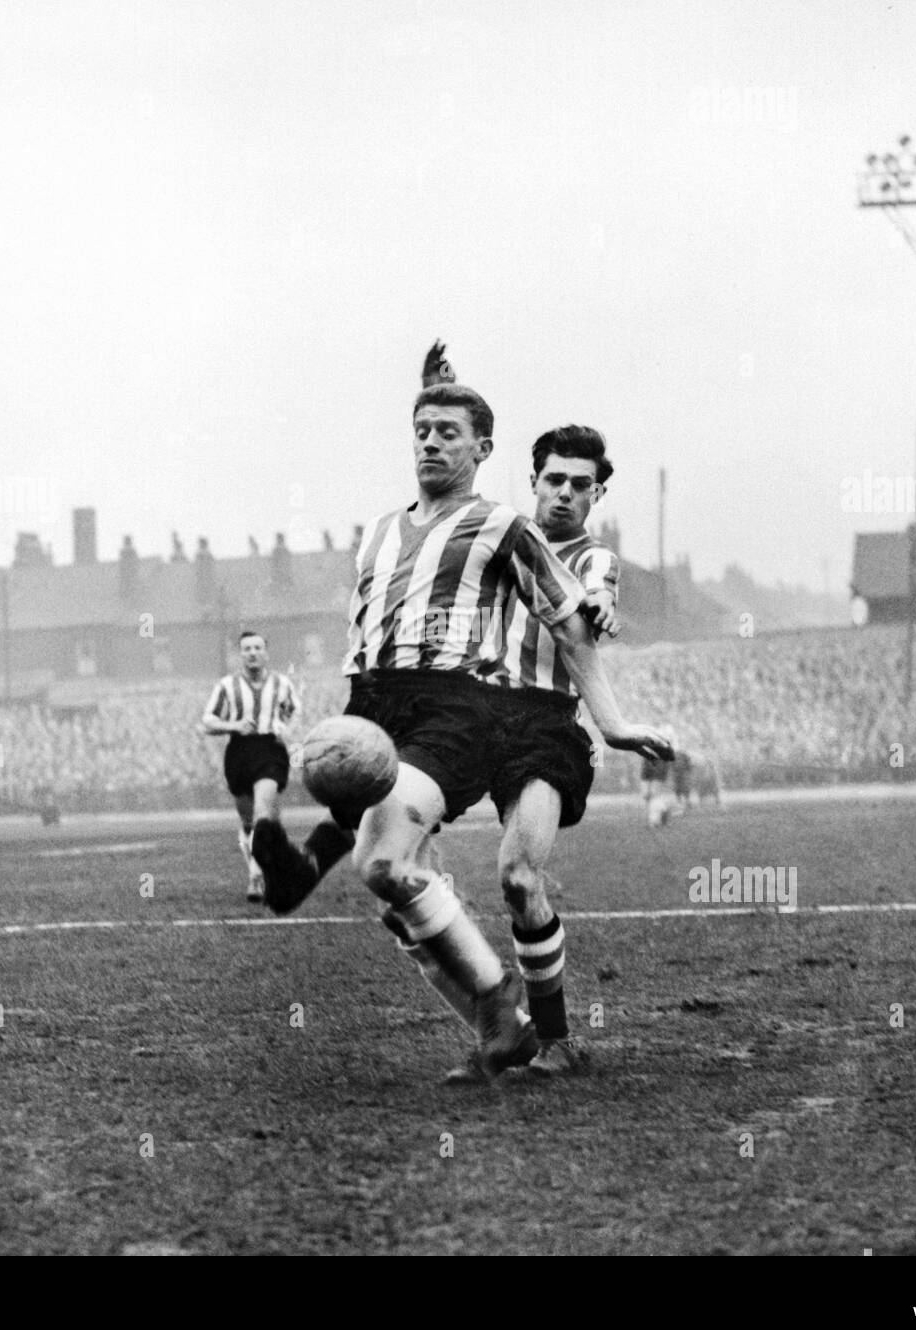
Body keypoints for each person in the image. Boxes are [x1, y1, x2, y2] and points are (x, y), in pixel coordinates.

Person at [253, 356, 672, 1080]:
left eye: (449, 431)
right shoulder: (380, 532)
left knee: (474, 871)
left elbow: (576, 620)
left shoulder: (505, 527)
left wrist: (613, 723)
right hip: (376, 703)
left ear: (483, 451)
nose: (430, 442)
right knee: (387, 874)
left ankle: (525, 1020)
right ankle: (498, 1023)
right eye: (421, 429)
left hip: (466, 709)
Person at [396, 425, 661, 1079]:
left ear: (596, 493)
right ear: (534, 481)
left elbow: (596, 594)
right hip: (471, 720)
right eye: (555, 480)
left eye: (581, 484)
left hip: (545, 730)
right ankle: (498, 1029)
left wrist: (599, 606)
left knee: (518, 876)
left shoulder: (592, 559)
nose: (566, 493)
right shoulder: (494, 542)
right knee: (394, 872)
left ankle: (558, 1039)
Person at [201, 631, 299, 902]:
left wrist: (285, 729)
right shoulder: (226, 686)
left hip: (271, 750)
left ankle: (258, 876)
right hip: (240, 752)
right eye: (247, 649)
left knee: (263, 813)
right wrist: (234, 725)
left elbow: (294, 713)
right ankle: (263, 868)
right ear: (240, 654)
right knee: (247, 820)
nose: (253, 653)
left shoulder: (282, 684)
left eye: (257, 648)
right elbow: (208, 720)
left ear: (266, 652)